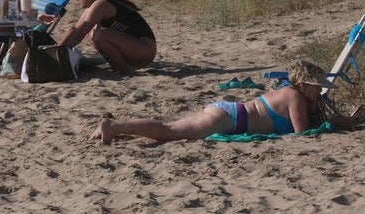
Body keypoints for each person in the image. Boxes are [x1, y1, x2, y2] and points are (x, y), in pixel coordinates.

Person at [91, 59, 340, 144]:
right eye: (316, 87)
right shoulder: (295, 97)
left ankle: (118, 128)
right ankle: (113, 127)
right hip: (228, 120)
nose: (319, 92)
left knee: (169, 127)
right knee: (169, 131)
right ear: (305, 84)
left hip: (229, 114)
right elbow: (303, 133)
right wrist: (337, 126)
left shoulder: (290, 93)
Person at [50, 0, 156, 74]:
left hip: (145, 50)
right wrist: (57, 49)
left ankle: (124, 69)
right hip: (133, 48)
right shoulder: (92, 7)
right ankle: (120, 65)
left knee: (99, 35)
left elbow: (79, 34)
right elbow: (75, 28)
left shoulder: (101, 5)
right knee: (92, 34)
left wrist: (60, 55)